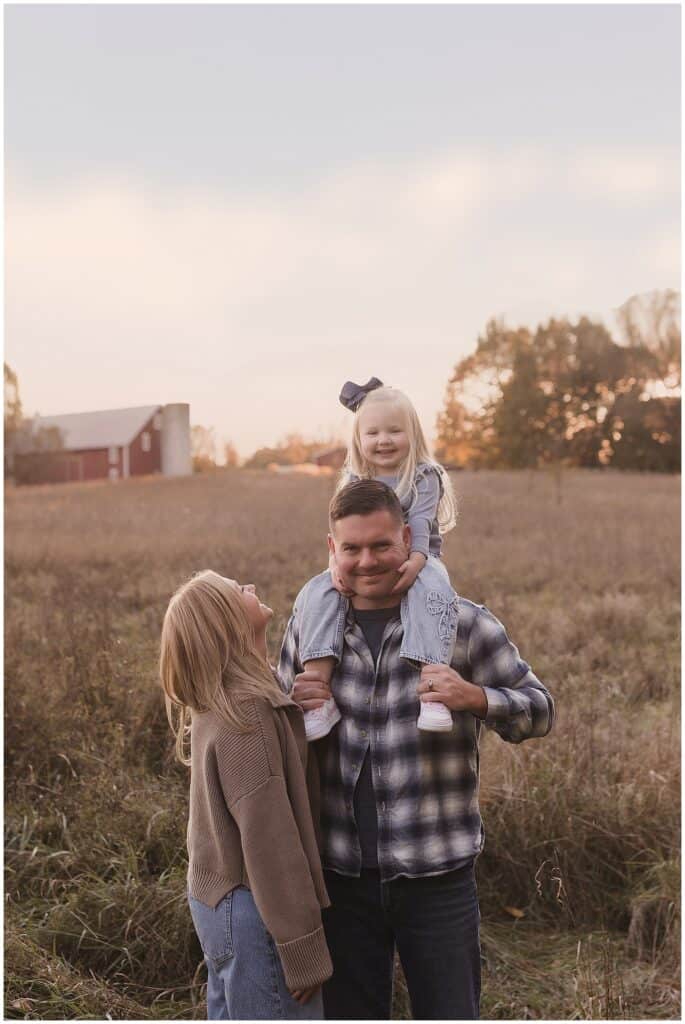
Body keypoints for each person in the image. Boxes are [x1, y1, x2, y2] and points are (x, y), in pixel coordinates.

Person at [279, 480, 555, 1020]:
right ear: (332, 549)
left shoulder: (464, 623)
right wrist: (291, 709)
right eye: (352, 548)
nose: (367, 561)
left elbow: (540, 710)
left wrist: (474, 697)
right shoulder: (310, 630)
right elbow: (282, 743)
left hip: (438, 877)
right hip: (340, 880)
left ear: (408, 539)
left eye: (381, 545)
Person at [160, 570, 332, 1020]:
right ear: (226, 623)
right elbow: (269, 839)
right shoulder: (247, 712)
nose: (250, 587)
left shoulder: (225, 697)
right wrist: (301, 945)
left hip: (220, 899)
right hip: (256, 908)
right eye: (238, 591)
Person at [300, 377, 460, 741]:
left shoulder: (424, 475)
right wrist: (334, 568)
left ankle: (433, 687)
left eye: (394, 431)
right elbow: (342, 532)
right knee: (318, 591)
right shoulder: (354, 477)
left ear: (413, 434)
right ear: (358, 439)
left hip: (420, 555)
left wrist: (416, 561)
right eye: (372, 433)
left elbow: (420, 524)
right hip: (366, 560)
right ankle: (317, 691)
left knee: (433, 590)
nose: (383, 440)